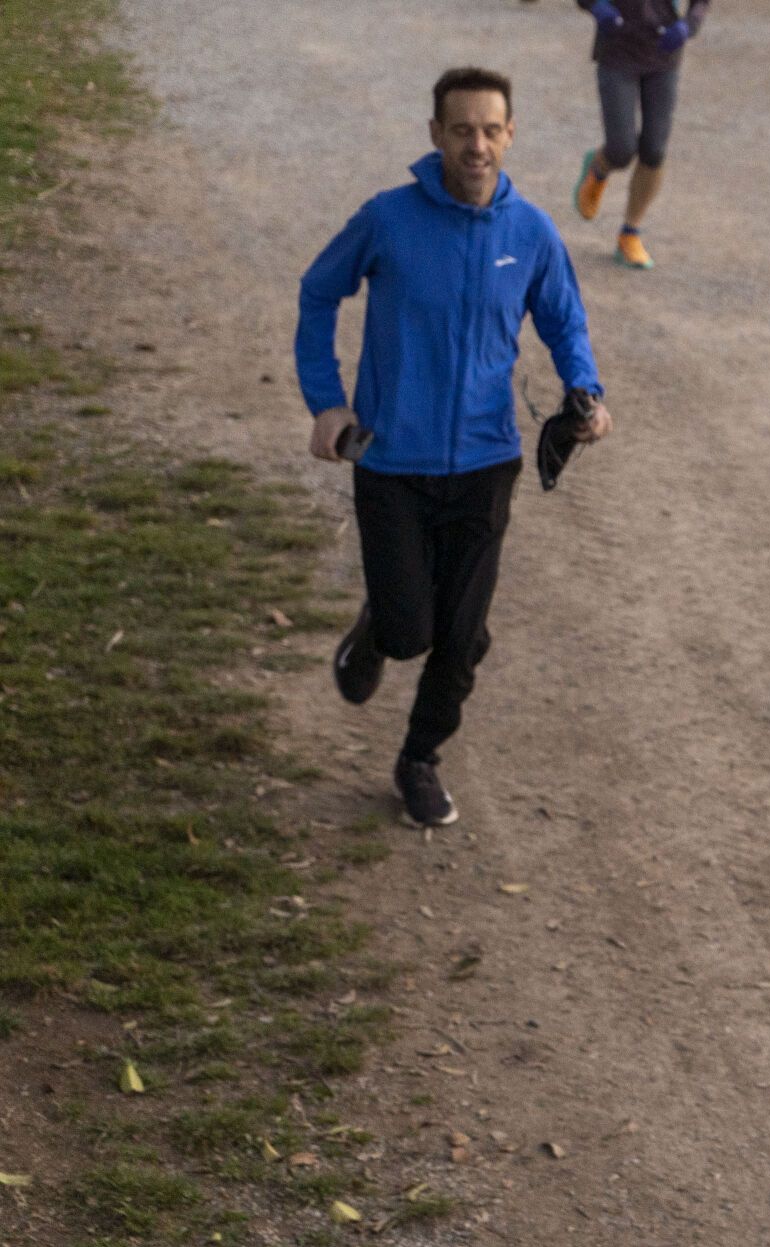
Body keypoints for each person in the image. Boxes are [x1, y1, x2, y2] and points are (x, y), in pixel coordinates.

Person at [296, 67, 611, 828]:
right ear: (435, 134)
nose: (477, 144)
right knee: (413, 631)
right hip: (390, 461)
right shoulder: (388, 219)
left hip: (485, 461)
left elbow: (564, 322)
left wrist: (587, 392)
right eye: (461, 129)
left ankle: (419, 759)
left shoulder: (530, 232)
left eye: (490, 129)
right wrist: (326, 402)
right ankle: (381, 625)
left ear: (510, 135)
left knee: (462, 637)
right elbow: (318, 291)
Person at [571, 0, 713, 269]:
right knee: (621, 149)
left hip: (663, 55)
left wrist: (688, 25)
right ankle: (599, 166)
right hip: (618, 51)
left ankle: (630, 234)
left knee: (654, 151)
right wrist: (597, 6)